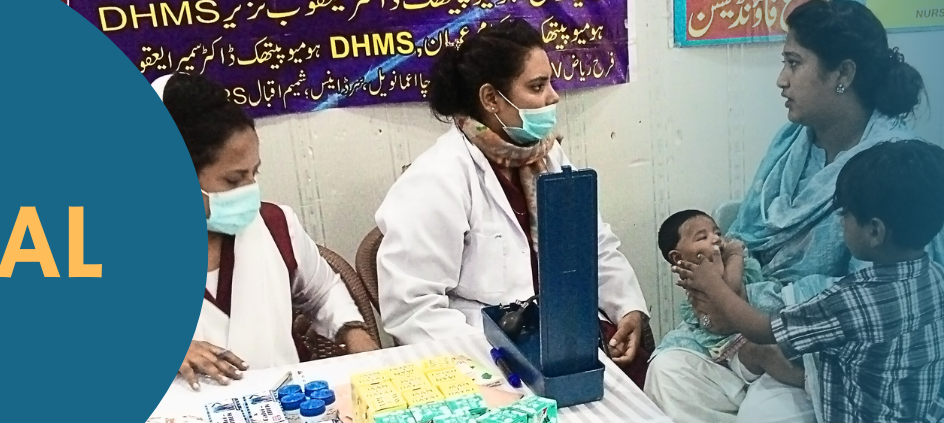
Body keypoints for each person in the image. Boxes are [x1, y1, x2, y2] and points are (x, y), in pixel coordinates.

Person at [643, 1, 944, 423]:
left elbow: (892, 308)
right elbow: (752, 237)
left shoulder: (896, 171)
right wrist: (727, 272)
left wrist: (760, 314)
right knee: (670, 373)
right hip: (760, 324)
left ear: (843, 74)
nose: (781, 80)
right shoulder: (792, 143)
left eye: (793, 63)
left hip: (836, 360)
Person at [677, 140, 944, 423]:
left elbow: (761, 329)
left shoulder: (854, 299)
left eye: (845, 215)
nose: (840, 223)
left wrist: (714, 286)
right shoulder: (940, 281)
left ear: (875, 231)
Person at [374, 18, 654, 386]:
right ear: (491, 99)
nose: (553, 97)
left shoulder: (547, 157)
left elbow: (593, 245)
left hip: (569, 337)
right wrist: (497, 358)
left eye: (550, 83)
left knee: (639, 391)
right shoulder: (437, 179)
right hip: (489, 356)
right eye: (537, 86)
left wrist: (627, 306)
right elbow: (412, 308)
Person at [160, 73, 381, 390]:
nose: (250, 189)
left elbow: (323, 291)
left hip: (283, 406)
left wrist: (352, 331)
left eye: (254, 172)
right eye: (234, 180)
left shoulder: (275, 225)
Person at [654, 210, 804, 388]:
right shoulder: (697, 278)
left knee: (771, 351)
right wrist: (735, 256)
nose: (716, 239)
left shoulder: (746, 266)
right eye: (702, 237)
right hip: (731, 348)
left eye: (717, 233)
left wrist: (733, 260)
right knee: (765, 353)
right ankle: (808, 382)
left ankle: (811, 382)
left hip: (757, 332)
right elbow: (728, 289)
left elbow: (730, 291)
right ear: (678, 257)